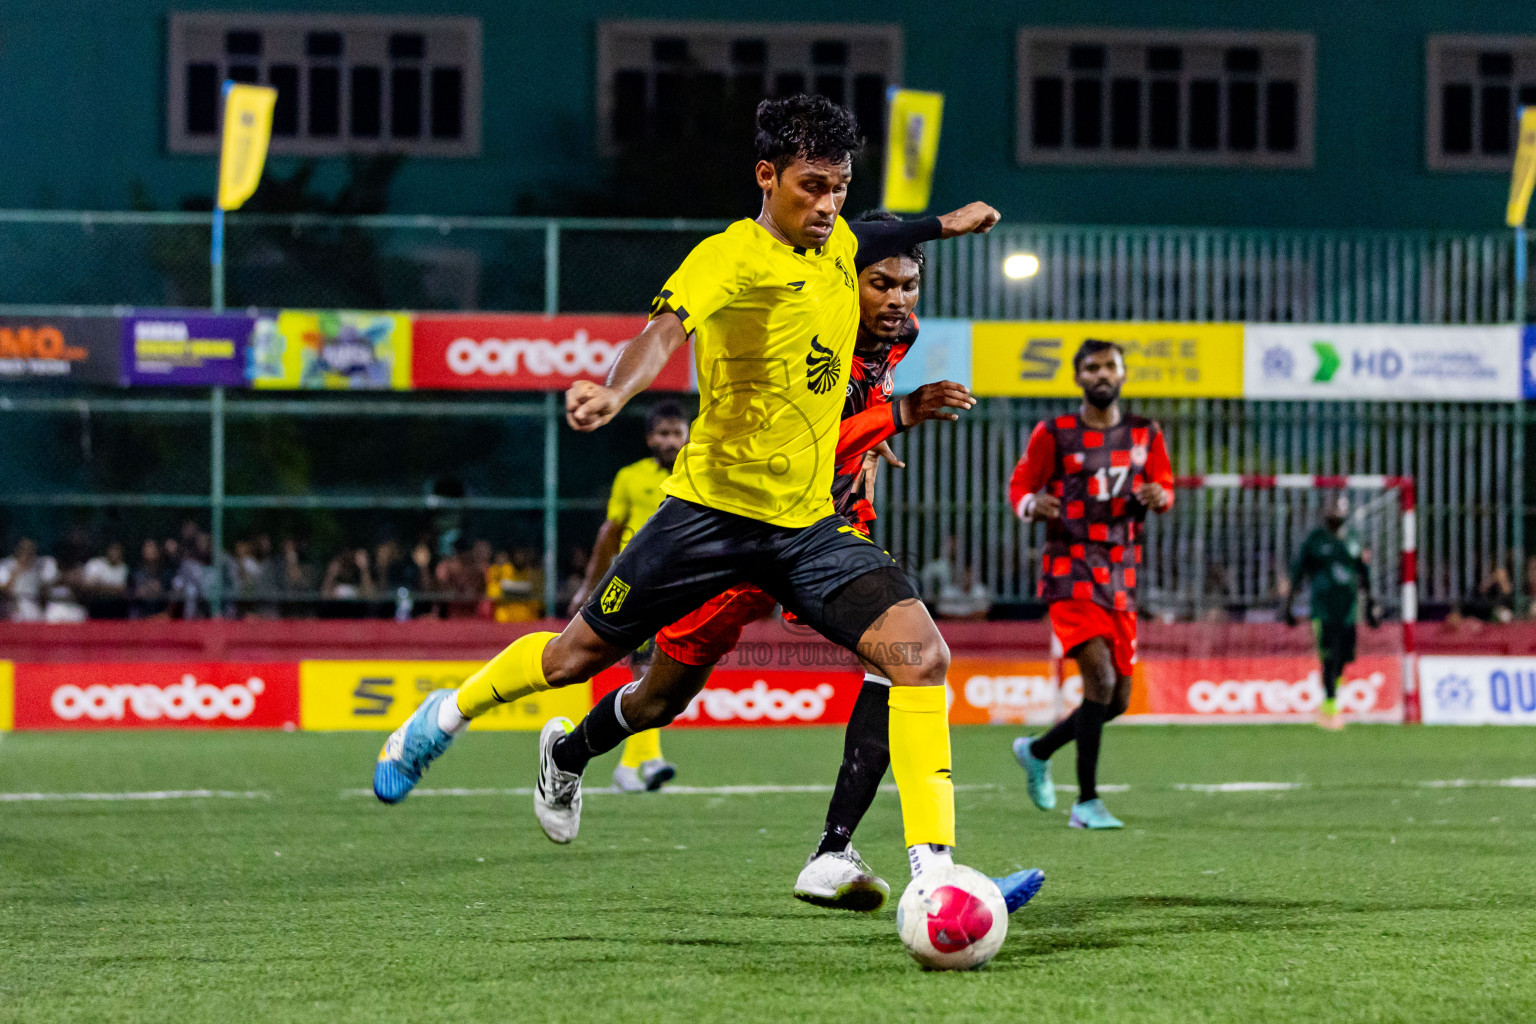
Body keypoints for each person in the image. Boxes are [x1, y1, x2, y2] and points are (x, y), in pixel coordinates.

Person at [373, 94, 1003, 896]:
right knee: (577, 660)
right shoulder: (729, 258)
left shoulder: (840, 239)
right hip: (708, 517)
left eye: (840, 186)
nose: (829, 205)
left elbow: (884, 234)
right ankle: (442, 718)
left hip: (804, 527)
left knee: (920, 657)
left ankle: (936, 876)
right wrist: (613, 392)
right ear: (766, 177)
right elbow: (665, 330)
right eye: (812, 186)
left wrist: (946, 223)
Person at [1008, 339, 1175, 829]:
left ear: (1123, 375)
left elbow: (1166, 486)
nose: (1102, 374)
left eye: (1110, 366)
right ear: (1079, 377)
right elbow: (1020, 486)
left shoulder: (1146, 433)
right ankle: (1086, 803)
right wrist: (1031, 504)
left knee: (1118, 699)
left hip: (1121, 574)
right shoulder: (1054, 433)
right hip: (1069, 569)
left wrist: (1158, 494)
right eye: (1092, 367)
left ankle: (1038, 750)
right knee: (1099, 680)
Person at [564, 401, 690, 793]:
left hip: (686, 584)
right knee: (645, 668)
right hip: (640, 583)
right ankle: (650, 760)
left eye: (676, 432)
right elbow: (611, 533)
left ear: (688, 433)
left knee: (663, 674)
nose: (670, 441)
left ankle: (629, 764)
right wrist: (589, 586)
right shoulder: (630, 477)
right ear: (650, 438)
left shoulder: (700, 471)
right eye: (662, 434)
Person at [1282, 495, 1381, 730]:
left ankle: (1330, 699)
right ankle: (1330, 708)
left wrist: (1371, 604)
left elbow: (1363, 573)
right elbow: (1298, 573)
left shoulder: (1354, 540)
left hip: (1348, 609)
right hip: (1323, 609)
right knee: (1330, 656)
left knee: (1344, 658)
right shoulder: (1316, 541)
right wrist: (1288, 604)